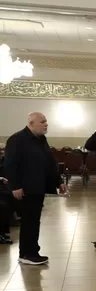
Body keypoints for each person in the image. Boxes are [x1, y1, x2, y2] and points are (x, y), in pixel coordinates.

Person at [3, 112, 66, 265]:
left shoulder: (41, 139)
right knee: (29, 221)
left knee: (34, 221)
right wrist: (15, 186)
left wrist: (59, 181)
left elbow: (49, 162)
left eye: (46, 121)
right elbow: (10, 165)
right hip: (25, 189)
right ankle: (26, 254)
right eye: (42, 122)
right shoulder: (17, 139)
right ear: (31, 123)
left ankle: (33, 251)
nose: (46, 124)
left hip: (38, 187)